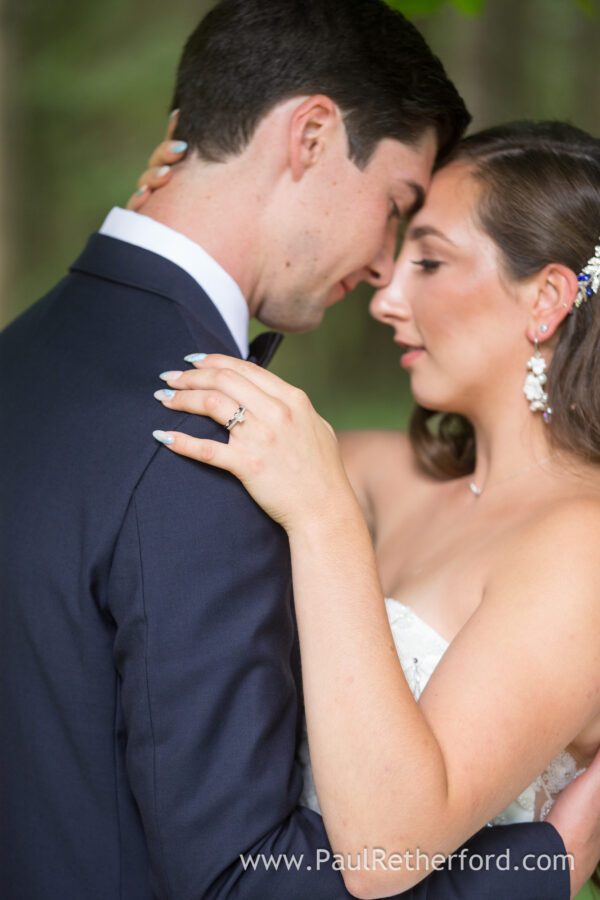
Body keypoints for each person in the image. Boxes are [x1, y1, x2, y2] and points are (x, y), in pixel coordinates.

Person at [0, 0, 593, 892]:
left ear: (547, 300)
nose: (384, 283)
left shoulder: (32, 362)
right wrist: (537, 867)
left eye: (428, 256)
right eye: (396, 211)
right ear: (310, 137)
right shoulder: (298, 457)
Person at [145, 120, 600, 897]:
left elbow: (384, 848)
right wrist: (165, 223)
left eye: (430, 261)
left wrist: (324, 520)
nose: (385, 299)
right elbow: (161, 437)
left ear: (548, 298)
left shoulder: (581, 548)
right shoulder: (379, 471)